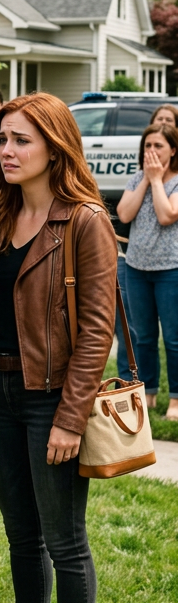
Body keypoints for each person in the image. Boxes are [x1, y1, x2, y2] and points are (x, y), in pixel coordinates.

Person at [0, 93, 116, 603]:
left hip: (52, 396)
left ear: (55, 147)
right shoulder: (0, 214)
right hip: (0, 393)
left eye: (21, 139)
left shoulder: (84, 221)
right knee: (21, 534)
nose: (6, 150)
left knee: (64, 539)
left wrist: (70, 418)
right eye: (2, 139)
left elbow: (97, 331)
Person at [116, 122, 178, 420]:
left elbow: (167, 215)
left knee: (174, 339)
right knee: (143, 337)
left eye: (158, 146)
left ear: (173, 150)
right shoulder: (137, 178)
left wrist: (156, 180)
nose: (151, 151)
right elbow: (124, 213)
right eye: (147, 146)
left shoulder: (176, 182)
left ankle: (175, 400)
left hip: (170, 270)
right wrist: (146, 179)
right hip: (136, 268)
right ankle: (148, 394)